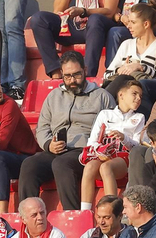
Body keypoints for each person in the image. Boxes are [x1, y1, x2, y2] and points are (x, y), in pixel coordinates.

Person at [17, 53, 117, 211]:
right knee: (30, 164)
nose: (72, 80)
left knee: (62, 164)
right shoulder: (54, 96)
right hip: (56, 149)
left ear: (84, 70)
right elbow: (42, 127)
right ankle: (29, 214)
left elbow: (113, 127)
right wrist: (49, 144)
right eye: (67, 76)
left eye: (76, 74)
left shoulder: (101, 97)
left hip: (85, 151)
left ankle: (73, 214)